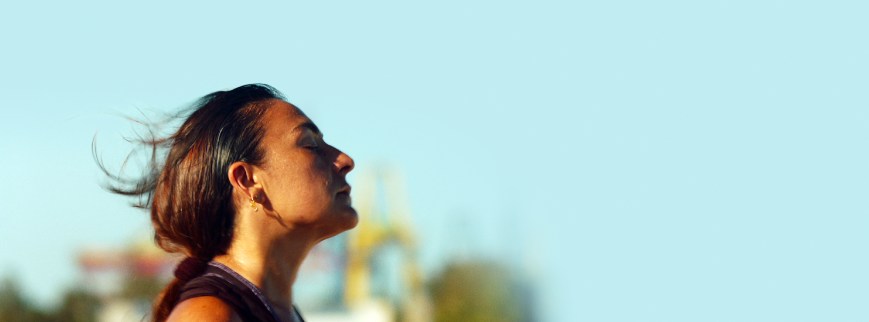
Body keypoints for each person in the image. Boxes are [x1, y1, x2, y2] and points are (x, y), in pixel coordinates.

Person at [100, 84, 357, 322]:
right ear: (247, 180)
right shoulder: (210, 315)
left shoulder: (281, 311)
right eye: (310, 144)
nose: (345, 160)